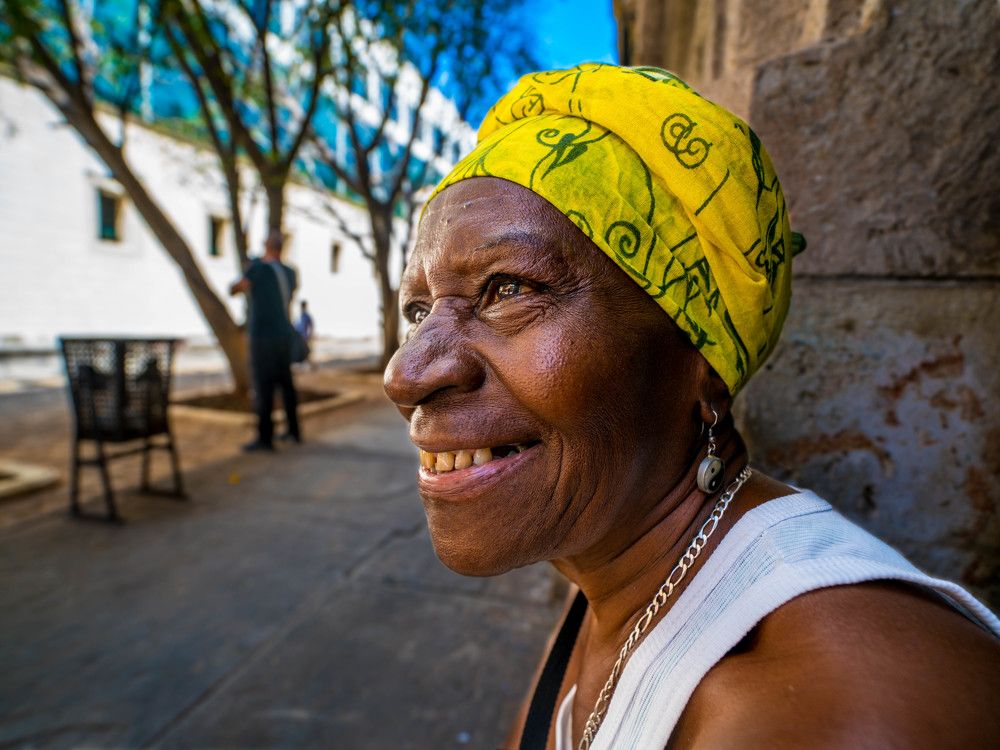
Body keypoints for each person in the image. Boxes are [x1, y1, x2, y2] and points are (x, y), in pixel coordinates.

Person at [383, 65, 1000, 749]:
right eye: (418, 309)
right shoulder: (604, 575)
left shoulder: (836, 711)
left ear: (699, 359)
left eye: (507, 289)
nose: (405, 373)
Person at [229, 228, 301, 451]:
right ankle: (293, 431)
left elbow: (235, 289)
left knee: (263, 386)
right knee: (286, 384)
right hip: (283, 336)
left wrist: (249, 268)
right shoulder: (289, 272)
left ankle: (265, 438)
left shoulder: (257, 268)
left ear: (266, 245)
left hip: (261, 336)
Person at [295, 300, 315, 369]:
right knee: (303, 351)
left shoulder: (307, 316)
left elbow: (311, 326)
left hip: (305, 337)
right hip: (299, 336)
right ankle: (310, 365)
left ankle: (312, 366)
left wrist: (310, 335)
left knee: (305, 352)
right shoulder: (299, 316)